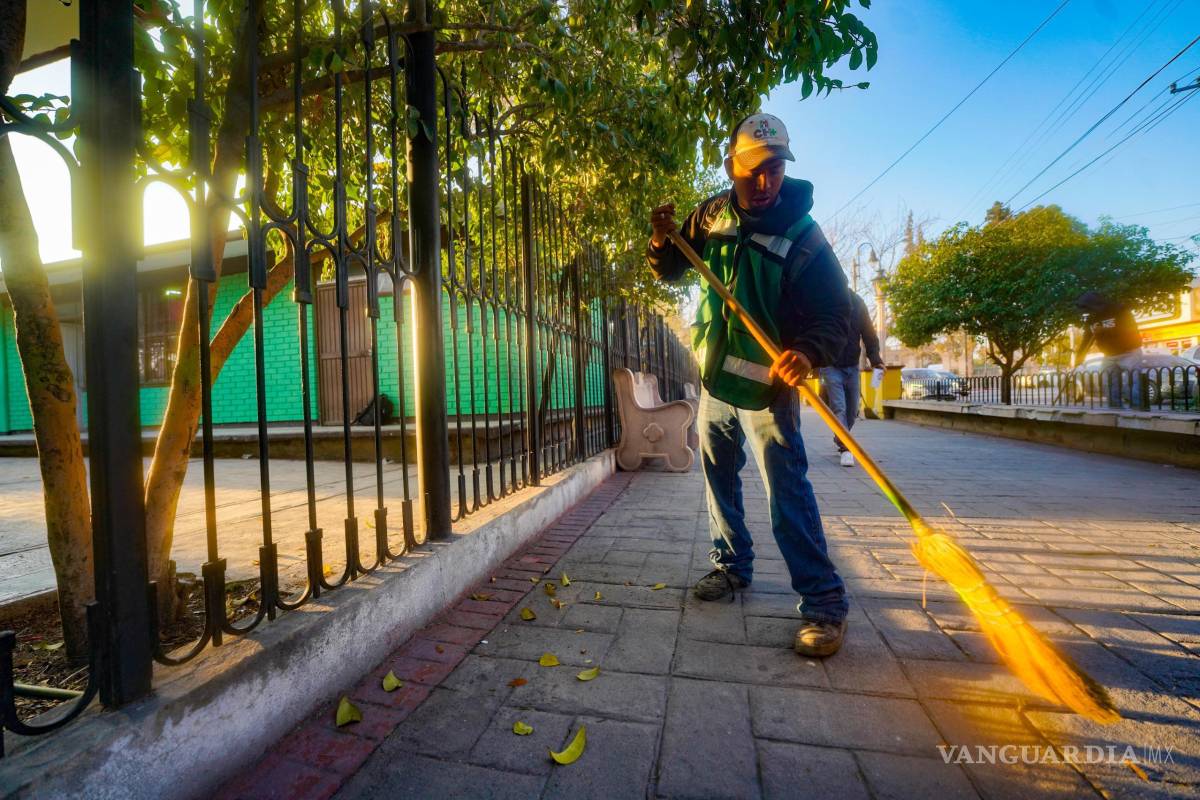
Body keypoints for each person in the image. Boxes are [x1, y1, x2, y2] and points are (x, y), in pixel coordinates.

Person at [646, 112, 851, 658]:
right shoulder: (712, 214)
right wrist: (661, 238)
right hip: (714, 379)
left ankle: (825, 605)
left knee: (787, 493)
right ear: (732, 166)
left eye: (776, 169)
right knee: (719, 481)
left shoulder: (804, 234)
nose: (765, 183)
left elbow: (836, 312)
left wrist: (806, 352)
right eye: (753, 171)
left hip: (769, 388)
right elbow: (670, 268)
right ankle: (731, 567)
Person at [820, 289, 884, 467]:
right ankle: (845, 448)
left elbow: (869, 334)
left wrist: (876, 360)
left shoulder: (857, 303)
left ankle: (840, 435)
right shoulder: (825, 300)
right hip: (830, 365)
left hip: (852, 365)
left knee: (853, 409)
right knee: (839, 407)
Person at [1073, 291, 1143, 408]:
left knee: (1134, 381)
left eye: (1089, 309)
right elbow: (1086, 341)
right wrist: (1078, 361)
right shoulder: (1091, 319)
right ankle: (1115, 409)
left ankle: (1138, 410)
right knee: (1109, 383)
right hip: (1109, 355)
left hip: (1129, 352)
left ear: (1094, 305)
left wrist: (1105, 330)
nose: (1088, 313)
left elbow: (1130, 330)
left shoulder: (1119, 310)